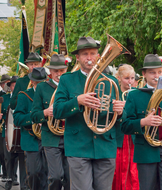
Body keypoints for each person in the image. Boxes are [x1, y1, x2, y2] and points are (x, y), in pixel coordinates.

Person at [53, 37, 126, 190]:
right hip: (78, 145)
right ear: (77, 58)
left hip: (105, 145)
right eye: (85, 54)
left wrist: (120, 112)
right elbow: (57, 111)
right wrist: (77, 101)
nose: (89, 58)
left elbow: (120, 119)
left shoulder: (111, 80)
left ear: (99, 56)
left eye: (93, 53)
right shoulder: (67, 80)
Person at [121, 54, 162, 190]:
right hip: (146, 152)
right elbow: (125, 126)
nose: (156, 75)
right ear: (144, 74)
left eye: (160, 72)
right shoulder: (134, 95)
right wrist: (144, 121)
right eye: (152, 72)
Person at [31, 54, 70, 190]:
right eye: (56, 71)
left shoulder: (70, 86)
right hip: (51, 138)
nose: (59, 74)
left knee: (70, 178)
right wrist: (45, 113)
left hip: (71, 136)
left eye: (61, 71)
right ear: (50, 72)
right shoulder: (42, 88)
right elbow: (34, 115)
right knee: (55, 177)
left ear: (66, 70)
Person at [14, 68, 48, 190]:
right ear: (32, 82)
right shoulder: (24, 96)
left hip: (48, 137)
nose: (40, 85)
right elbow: (17, 118)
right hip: (31, 139)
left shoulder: (51, 94)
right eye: (37, 82)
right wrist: (35, 118)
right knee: (33, 173)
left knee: (48, 174)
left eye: (42, 82)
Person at [0, 76, 24, 190]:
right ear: (10, 87)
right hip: (7, 133)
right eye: (13, 85)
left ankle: (22, 183)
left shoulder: (24, 97)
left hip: (22, 132)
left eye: (17, 85)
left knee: (21, 158)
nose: (15, 87)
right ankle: (9, 179)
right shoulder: (4, 98)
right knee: (8, 157)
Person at [112, 64, 139, 190]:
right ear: (119, 78)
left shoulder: (136, 94)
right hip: (119, 136)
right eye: (127, 78)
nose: (130, 82)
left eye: (132, 78)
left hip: (133, 137)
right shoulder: (114, 93)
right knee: (118, 170)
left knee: (133, 171)